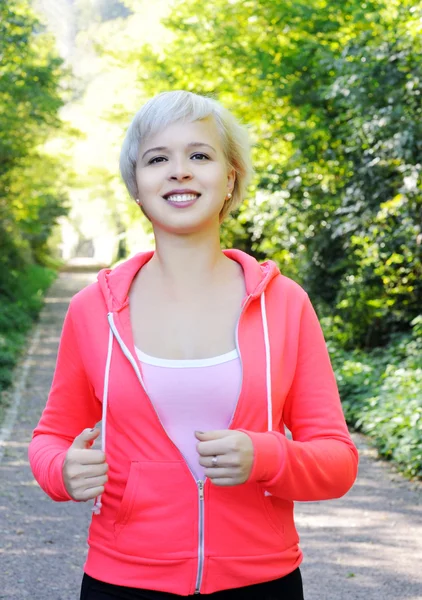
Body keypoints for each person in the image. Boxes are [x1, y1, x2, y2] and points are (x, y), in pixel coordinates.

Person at [29, 90, 359, 600]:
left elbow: (337, 461)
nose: (179, 171)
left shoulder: (285, 304)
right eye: (157, 159)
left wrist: (268, 457)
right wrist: (60, 471)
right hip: (123, 580)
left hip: (262, 581)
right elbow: (51, 436)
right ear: (136, 186)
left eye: (199, 155)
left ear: (230, 178)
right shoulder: (93, 310)